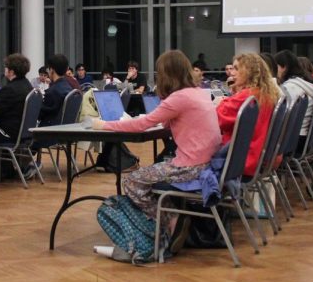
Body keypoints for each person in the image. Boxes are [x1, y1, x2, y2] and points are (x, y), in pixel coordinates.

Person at [93, 49, 221, 227]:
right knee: (152, 171)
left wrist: (104, 125)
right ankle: (171, 218)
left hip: (190, 167)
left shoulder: (178, 98)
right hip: (208, 163)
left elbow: (140, 125)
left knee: (131, 180)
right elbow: (170, 123)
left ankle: (171, 222)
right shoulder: (198, 92)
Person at [215, 53, 279, 178]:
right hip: (257, 156)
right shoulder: (265, 93)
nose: (232, 73)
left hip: (240, 160)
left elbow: (219, 120)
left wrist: (220, 103)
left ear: (249, 71)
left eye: (236, 68)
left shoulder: (247, 97)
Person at [273, 50, 313, 137]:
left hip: (294, 138)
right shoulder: (306, 83)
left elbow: (282, 115)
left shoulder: (290, 88)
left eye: (277, 67)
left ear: (284, 67)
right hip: (305, 136)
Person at [39, 54, 74, 126]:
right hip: (65, 130)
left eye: (48, 69)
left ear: (52, 70)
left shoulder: (52, 91)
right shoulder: (69, 88)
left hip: (48, 131)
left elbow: (40, 115)